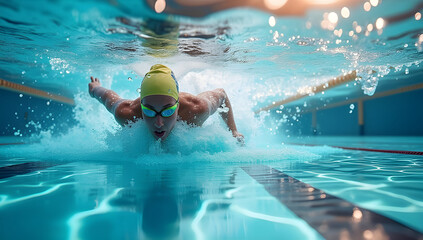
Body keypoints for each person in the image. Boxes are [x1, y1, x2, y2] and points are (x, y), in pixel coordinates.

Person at [89, 64, 244, 142]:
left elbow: (222, 95)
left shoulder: (196, 109)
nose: (159, 122)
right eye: (149, 111)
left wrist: (233, 132)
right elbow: (106, 96)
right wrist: (95, 89)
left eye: (168, 111)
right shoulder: (127, 112)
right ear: (141, 106)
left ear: (177, 106)